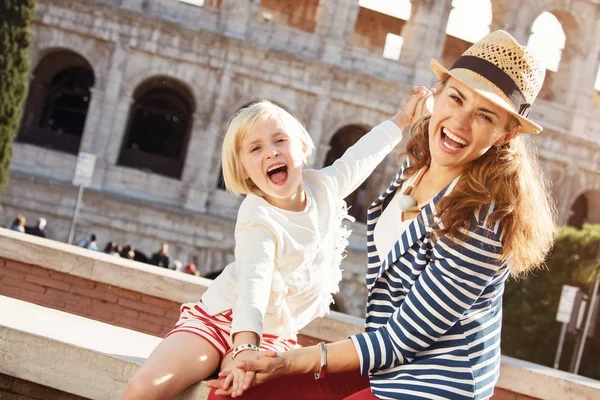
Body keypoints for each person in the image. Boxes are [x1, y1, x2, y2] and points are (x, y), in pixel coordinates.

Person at [207, 30, 557, 400]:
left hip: (435, 386)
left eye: (484, 116)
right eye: (455, 98)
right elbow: (354, 165)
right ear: (436, 95)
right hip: (384, 368)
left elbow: (402, 337)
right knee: (235, 394)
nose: (459, 122)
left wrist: (287, 361)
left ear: (506, 134)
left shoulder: (485, 221)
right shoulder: (413, 171)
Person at [121, 91, 431, 399]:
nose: (271, 152)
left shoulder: (325, 186)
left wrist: (402, 119)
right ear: (242, 169)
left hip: (273, 337)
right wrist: (243, 347)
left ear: (303, 146)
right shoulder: (258, 217)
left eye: (280, 140)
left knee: (234, 391)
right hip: (219, 319)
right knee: (147, 386)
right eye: (255, 148)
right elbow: (252, 286)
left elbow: (361, 156)